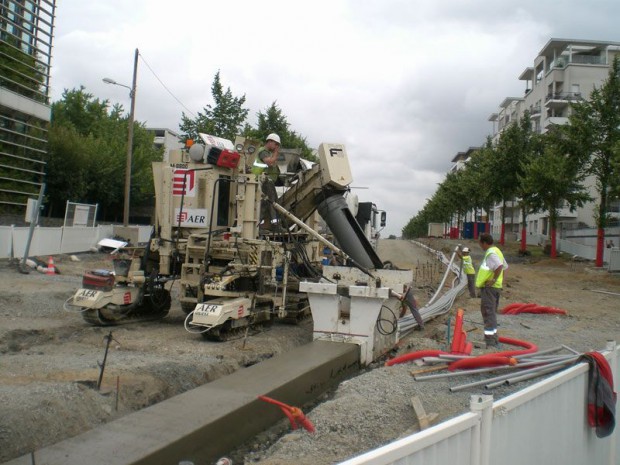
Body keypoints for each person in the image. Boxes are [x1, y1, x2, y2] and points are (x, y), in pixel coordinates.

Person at [475, 233, 508, 348]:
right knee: (491, 313)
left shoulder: (490, 253)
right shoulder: (497, 250)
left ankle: (490, 341)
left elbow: (499, 266)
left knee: (488, 313)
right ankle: (493, 338)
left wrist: (493, 280)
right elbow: (504, 267)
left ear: (484, 243)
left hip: (489, 288)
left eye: (480, 243)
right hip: (495, 288)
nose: (480, 246)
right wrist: (499, 281)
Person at [252, 134, 281, 229]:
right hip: (263, 180)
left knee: (266, 203)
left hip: (265, 181)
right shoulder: (263, 152)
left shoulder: (267, 152)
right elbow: (270, 162)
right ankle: (275, 225)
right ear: (270, 141)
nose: (276, 146)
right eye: (276, 144)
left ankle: (260, 225)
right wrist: (276, 152)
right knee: (272, 202)